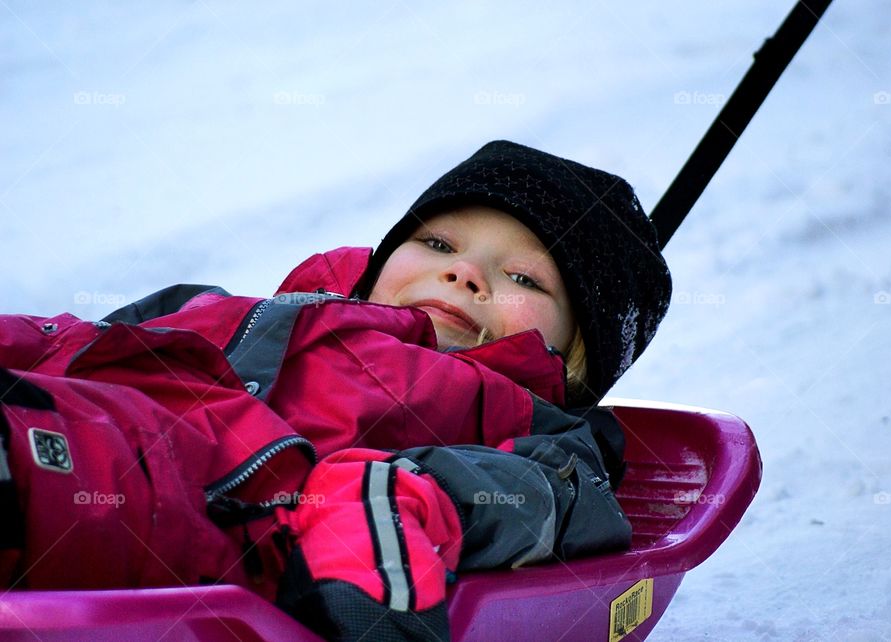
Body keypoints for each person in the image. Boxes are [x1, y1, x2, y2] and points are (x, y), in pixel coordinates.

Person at [0, 140, 671, 640]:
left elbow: (439, 503)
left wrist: (375, 539)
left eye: (524, 279)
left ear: (579, 360)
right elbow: (72, 340)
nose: (464, 272)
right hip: (64, 412)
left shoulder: (546, 441)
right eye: (436, 242)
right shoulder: (255, 310)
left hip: (163, 509)